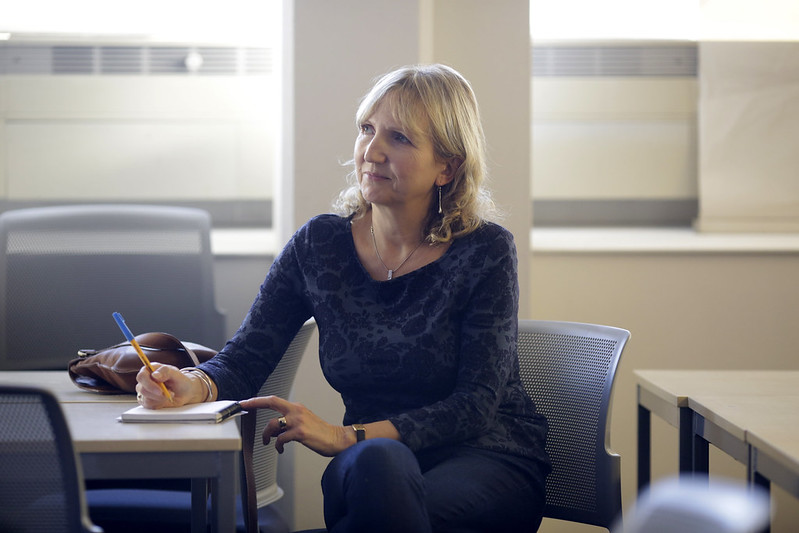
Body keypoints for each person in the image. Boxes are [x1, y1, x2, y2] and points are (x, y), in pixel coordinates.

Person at [136, 63, 550, 533]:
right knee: (381, 467)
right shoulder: (319, 246)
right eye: (366, 129)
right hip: (370, 466)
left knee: (390, 509)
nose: (371, 151)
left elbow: (475, 404)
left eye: (399, 138)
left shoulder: (486, 250)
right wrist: (195, 384)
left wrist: (343, 435)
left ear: (446, 167)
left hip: (485, 459)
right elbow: (246, 358)